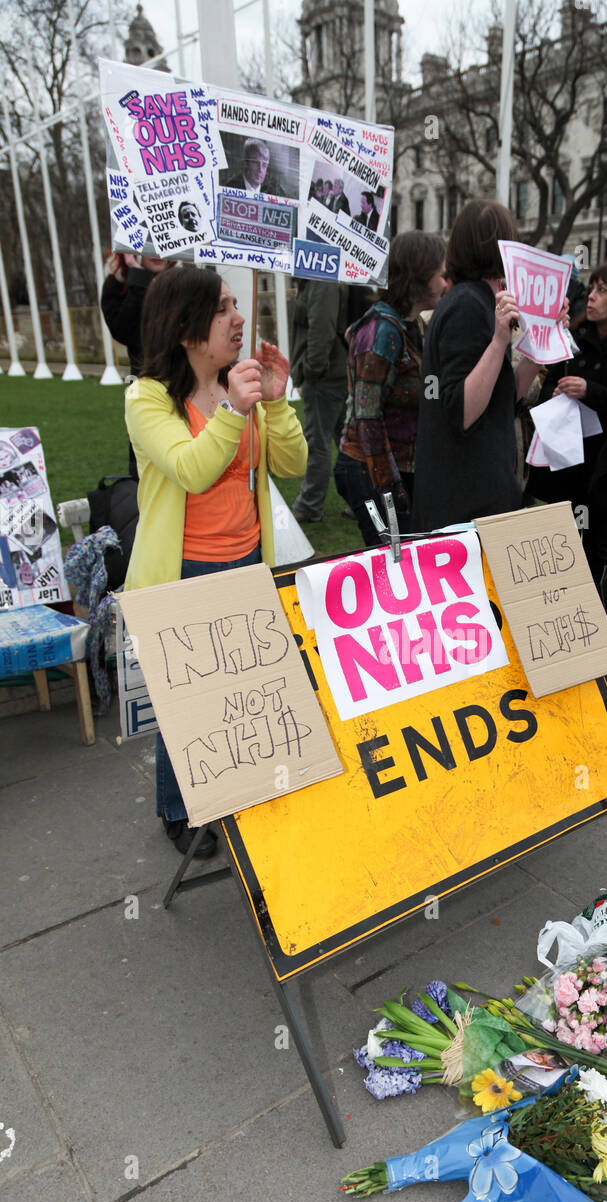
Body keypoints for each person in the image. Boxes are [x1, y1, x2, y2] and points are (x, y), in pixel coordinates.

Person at [124, 265, 308, 856]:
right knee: (190, 701)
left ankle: (240, 790)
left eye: (236, 304)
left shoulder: (239, 384)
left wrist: (274, 404)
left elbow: (291, 467)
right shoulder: (148, 397)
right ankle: (179, 811)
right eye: (222, 308)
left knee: (244, 693)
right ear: (185, 329)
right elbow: (193, 468)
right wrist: (233, 409)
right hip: (186, 573)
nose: (239, 319)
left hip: (249, 559)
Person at [411, 199, 542, 532]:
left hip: (478, 501)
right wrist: (499, 340)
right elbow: (462, 411)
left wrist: (542, 339)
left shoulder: (482, 302)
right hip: (464, 509)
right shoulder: (468, 306)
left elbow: (505, 397)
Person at [526, 260, 607, 586]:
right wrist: (557, 391)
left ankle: (598, 612)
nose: (591, 297)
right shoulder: (575, 335)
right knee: (558, 542)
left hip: (604, 461)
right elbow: (546, 381)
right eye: (591, 289)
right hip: (564, 455)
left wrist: (590, 391)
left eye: (602, 290)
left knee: (595, 543)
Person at [335, 231, 447, 547]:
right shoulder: (382, 331)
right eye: (441, 273)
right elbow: (366, 416)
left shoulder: (415, 326)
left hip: (399, 469)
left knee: (410, 560)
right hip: (368, 471)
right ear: (420, 276)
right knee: (394, 564)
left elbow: (428, 391)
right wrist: (389, 488)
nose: (446, 281)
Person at [101, 251, 173, 479]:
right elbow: (125, 330)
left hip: (190, 384)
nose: (157, 252)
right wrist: (138, 278)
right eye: (147, 245)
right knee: (147, 466)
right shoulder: (116, 285)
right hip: (146, 384)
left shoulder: (186, 282)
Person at [288, 278, 351, 523]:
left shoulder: (321, 280)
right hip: (332, 371)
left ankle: (309, 505)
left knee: (318, 441)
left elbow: (321, 328)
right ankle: (362, 500)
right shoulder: (318, 279)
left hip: (326, 375)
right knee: (345, 440)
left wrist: (311, 370)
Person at [222, 139, 288, 197]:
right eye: (255, 163)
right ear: (246, 163)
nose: (260, 170)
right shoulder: (230, 187)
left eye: (264, 165)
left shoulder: (273, 192)